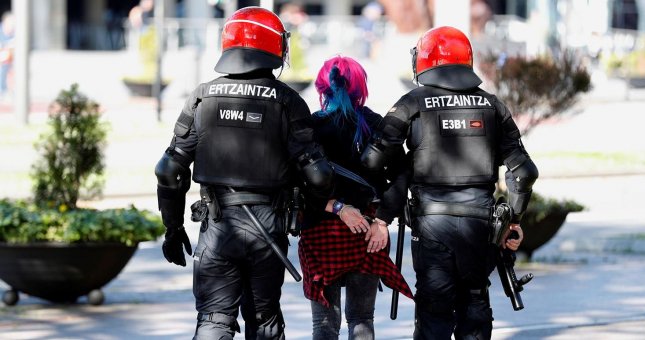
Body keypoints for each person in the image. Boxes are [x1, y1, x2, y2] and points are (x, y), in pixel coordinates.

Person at [154, 7, 333, 340]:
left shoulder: (202, 96)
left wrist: (173, 226)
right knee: (264, 321)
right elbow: (319, 176)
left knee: (213, 321)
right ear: (275, 46)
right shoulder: (287, 100)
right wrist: (304, 219)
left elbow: (169, 170)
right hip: (269, 226)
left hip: (217, 226)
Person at [361, 26, 539, 339]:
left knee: (434, 314)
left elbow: (373, 161)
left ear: (425, 60)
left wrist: (401, 180)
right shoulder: (493, 106)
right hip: (481, 227)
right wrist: (512, 220)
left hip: (432, 225)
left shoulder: (411, 104)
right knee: (474, 306)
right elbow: (524, 173)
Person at [298, 55, 413, 340]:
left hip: (320, 233)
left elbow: (294, 181)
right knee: (362, 320)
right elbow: (402, 175)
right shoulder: (377, 125)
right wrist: (383, 222)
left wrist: (335, 206)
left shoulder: (310, 128)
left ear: (322, 89)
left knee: (323, 325)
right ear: (361, 88)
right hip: (368, 234)